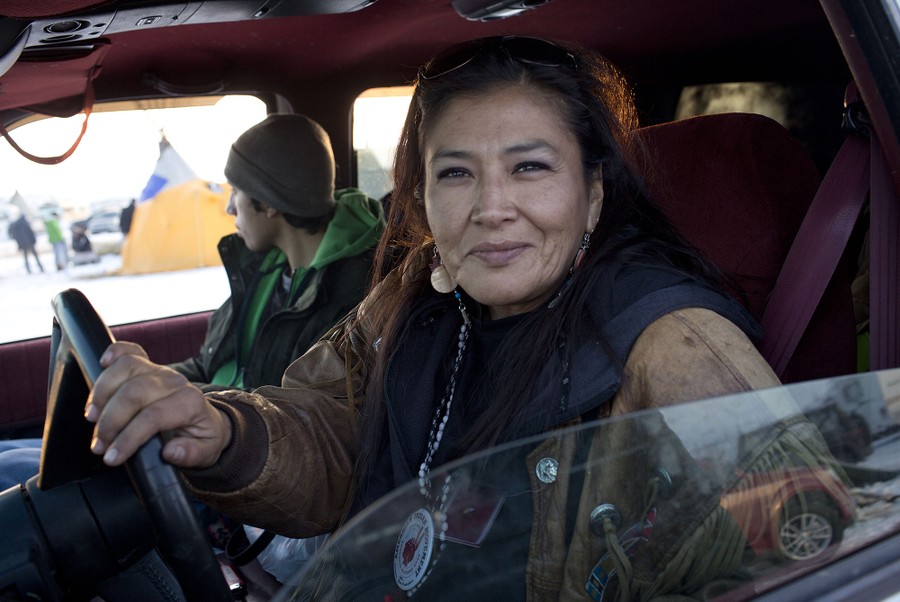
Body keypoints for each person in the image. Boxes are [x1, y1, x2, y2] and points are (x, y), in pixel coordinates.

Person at [86, 37, 783, 598]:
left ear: (593, 194)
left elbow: (806, 544)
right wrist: (222, 430)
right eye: (456, 173)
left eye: (531, 167)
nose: (490, 206)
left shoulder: (673, 344)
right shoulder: (417, 294)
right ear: (422, 193)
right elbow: (329, 429)